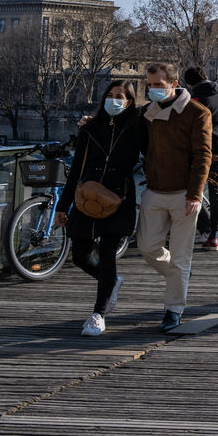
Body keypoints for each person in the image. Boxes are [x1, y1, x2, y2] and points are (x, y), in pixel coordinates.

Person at [56, 80, 148, 336]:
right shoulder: (89, 128)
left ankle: (98, 314)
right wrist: (63, 206)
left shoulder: (137, 128)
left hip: (119, 196)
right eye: (110, 95)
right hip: (87, 195)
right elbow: (76, 169)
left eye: (120, 96)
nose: (114, 100)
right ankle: (111, 282)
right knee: (79, 255)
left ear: (129, 102)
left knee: (108, 256)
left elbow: (154, 153)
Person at [139, 62, 213, 333]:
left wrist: (195, 194)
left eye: (158, 85)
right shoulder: (147, 112)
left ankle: (173, 310)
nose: (153, 90)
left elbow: (203, 155)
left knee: (181, 256)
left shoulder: (197, 112)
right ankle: (179, 275)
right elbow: (121, 128)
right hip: (154, 190)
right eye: (149, 85)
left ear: (173, 83)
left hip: (184, 194)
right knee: (147, 247)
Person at [182, 67, 218, 250]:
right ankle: (215, 234)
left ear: (189, 84)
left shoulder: (195, 101)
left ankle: (205, 229)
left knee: (191, 190)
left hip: (200, 153)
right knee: (216, 191)